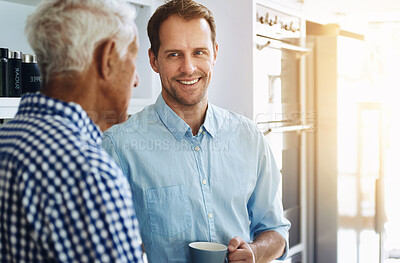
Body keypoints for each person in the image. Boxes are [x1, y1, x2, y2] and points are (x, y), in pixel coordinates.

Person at [102, 0, 291, 262]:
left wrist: (255, 253)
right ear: (154, 60)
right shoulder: (119, 146)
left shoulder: (249, 137)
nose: (188, 68)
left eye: (199, 52)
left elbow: (276, 230)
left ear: (215, 53)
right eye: (174, 54)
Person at [0, 0, 144, 262]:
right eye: (132, 57)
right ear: (107, 58)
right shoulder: (91, 175)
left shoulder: (6, 141)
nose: (136, 80)